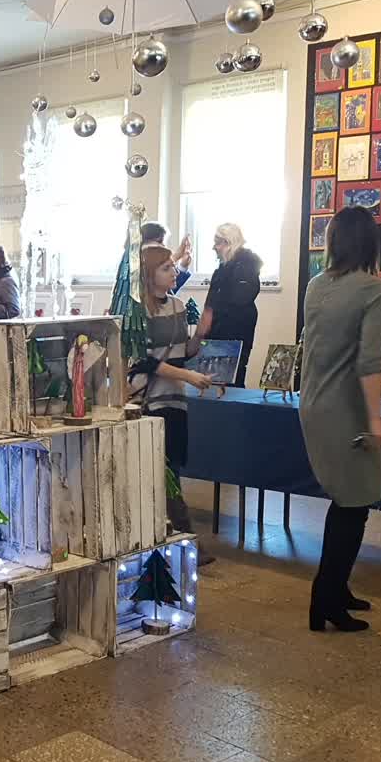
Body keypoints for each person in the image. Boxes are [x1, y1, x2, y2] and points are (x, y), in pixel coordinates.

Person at [299, 206, 381, 634]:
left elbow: (332, 344)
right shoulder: (375, 290)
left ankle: (338, 588)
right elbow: (368, 363)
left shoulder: (317, 285)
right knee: (354, 504)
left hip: (315, 403)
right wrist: (376, 420)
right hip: (346, 409)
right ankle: (326, 599)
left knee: (347, 498)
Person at [128, 244, 211, 533]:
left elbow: (181, 352)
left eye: (173, 267)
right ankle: (182, 535)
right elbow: (145, 361)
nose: (174, 272)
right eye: (166, 268)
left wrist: (200, 335)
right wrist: (188, 376)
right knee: (159, 471)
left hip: (175, 400)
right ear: (150, 274)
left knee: (172, 468)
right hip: (149, 399)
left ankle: (179, 536)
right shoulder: (137, 311)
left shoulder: (177, 306)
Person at [194, 222, 263, 387]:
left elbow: (239, 299)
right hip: (218, 336)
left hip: (231, 335)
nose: (214, 247)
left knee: (228, 381)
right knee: (212, 382)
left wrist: (210, 317)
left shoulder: (245, 268)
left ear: (228, 243)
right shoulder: (223, 270)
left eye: (217, 243)